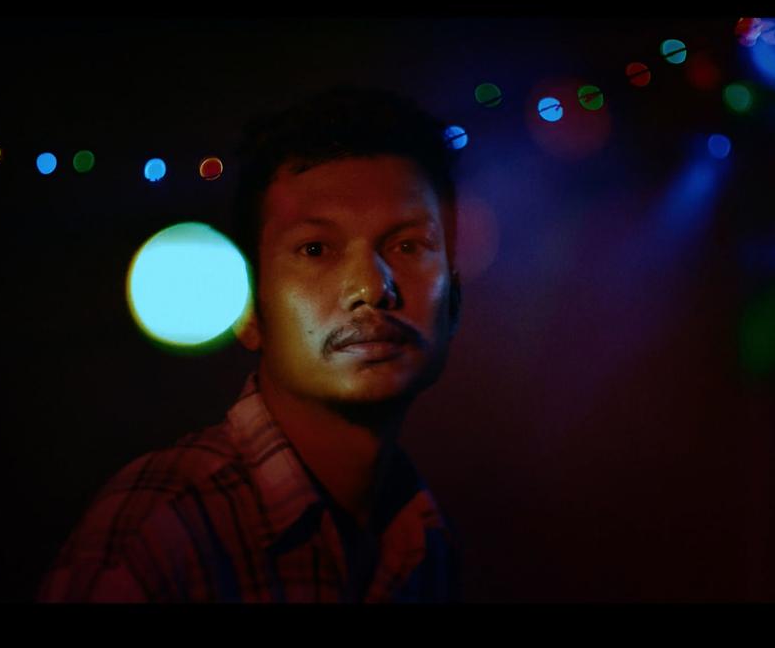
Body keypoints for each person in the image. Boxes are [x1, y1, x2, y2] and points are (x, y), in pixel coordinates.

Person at [38, 85, 464, 603]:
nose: (372, 288)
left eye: (408, 245)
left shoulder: (421, 536)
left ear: (454, 298)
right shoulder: (161, 534)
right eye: (316, 249)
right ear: (247, 308)